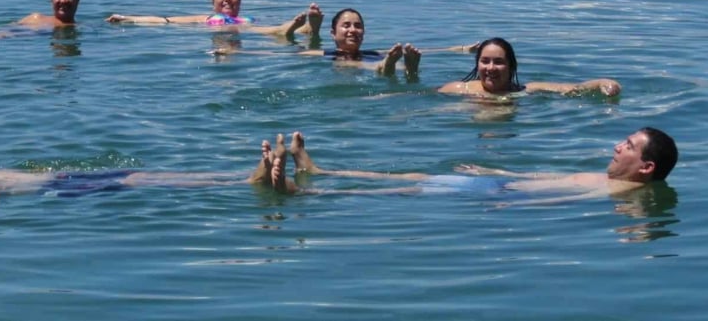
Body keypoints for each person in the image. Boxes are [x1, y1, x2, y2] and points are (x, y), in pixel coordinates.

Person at [0, 126, 296, 200]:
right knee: (140, 183)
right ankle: (243, 182)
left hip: (65, 179)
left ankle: (235, 177)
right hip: (59, 190)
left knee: (141, 175)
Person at [272, 128, 677, 200]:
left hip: (498, 198)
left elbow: (560, 201)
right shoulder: (608, 179)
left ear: (645, 167)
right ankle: (321, 172)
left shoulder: (623, 191)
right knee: (413, 178)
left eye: (627, 146)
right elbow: (550, 178)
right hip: (497, 187)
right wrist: (497, 173)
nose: (616, 146)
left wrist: (509, 201)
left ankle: (304, 192)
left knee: (404, 189)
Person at [106, 0, 317, 37]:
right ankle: (291, 30)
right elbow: (165, 21)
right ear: (213, 2)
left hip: (246, 33)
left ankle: (307, 29)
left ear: (240, 2)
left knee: (261, 31)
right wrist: (128, 18)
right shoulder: (205, 18)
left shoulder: (248, 20)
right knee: (273, 32)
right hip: (221, 38)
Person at [437, 37, 622, 98]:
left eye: (498, 62)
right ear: (477, 64)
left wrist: (603, 82)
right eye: (485, 61)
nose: (490, 68)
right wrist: (411, 71)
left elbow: (574, 89)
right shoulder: (461, 89)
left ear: (511, 67)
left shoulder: (526, 91)